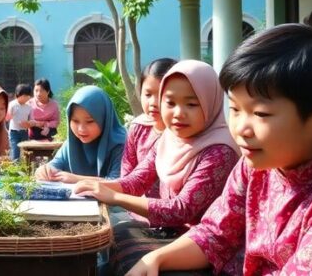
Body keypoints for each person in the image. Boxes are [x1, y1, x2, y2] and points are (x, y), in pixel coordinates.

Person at [126, 24, 312, 276]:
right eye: (234, 109)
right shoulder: (256, 164)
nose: (241, 128)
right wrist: (156, 260)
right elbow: (215, 233)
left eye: (261, 113)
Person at [75, 60, 239, 275]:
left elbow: (182, 210)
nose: (179, 113)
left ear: (211, 101)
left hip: (200, 245)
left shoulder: (219, 150)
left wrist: (113, 197)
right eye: (170, 103)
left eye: (191, 104)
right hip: (172, 232)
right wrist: (95, 187)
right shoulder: (170, 138)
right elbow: (137, 179)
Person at [34, 86, 126, 182]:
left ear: (104, 119)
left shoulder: (121, 145)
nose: (81, 129)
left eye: (90, 121)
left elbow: (119, 183)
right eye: (75, 121)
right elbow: (54, 165)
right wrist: (45, 171)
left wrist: (77, 179)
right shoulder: (71, 144)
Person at [121, 58, 177, 196]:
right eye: (148, 94)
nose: (153, 102)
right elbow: (127, 173)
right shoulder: (138, 128)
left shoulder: (181, 133)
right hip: (135, 206)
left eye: (161, 95)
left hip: (170, 211)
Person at [7, 83, 33, 161]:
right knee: (15, 150)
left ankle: (26, 167)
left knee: (26, 151)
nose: (27, 98)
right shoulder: (12, 104)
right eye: (25, 96)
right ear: (19, 95)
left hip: (24, 131)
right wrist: (11, 115)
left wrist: (28, 124)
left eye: (28, 96)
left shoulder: (29, 106)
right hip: (14, 132)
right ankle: (14, 168)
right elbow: (7, 117)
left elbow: (31, 120)